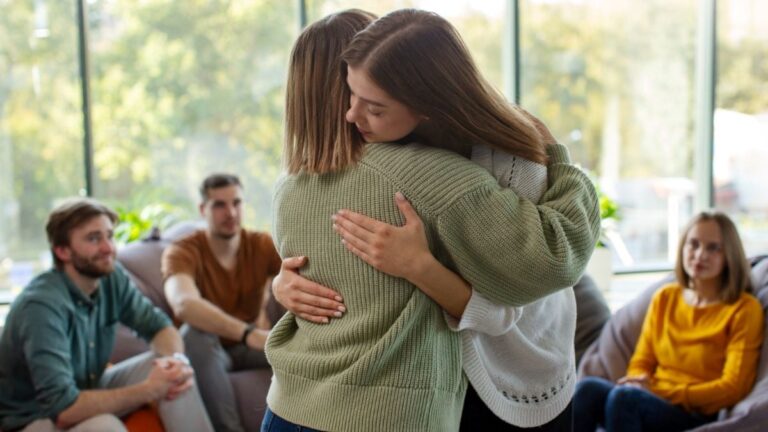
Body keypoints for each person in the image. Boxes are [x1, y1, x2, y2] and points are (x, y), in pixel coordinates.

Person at [263, 9, 600, 432]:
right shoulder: (346, 175)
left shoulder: (472, 166)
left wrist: (420, 268)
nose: (352, 114)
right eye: (353, 93)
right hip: (430, 390)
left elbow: (522, 294)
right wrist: (283, 283)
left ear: (419, 94)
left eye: (373, 103)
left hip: (513, 375)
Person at [0, 198, 213, 432]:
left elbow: (158, 326)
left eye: (109, 236)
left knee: (171, 372)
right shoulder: (41, 307)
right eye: (93, 239)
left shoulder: (110, 278)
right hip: (33, 418)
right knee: (105, 426)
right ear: (62, 251)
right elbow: (63, 409)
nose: (108, 248)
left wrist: (177, 362)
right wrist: (149, 390)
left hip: (87, 387)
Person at [573, 211, 764, 432]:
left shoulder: (744, 309)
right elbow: (641, 360)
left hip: (696, 413)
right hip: (650, 399)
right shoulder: (666, 297)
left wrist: (658, 391)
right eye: (693, 244)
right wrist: (638, 381)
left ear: (729, 255)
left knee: (625, 398)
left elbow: (733, 387)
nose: (700, 255)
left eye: (713, 248)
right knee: (588, 388)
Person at [162, 173, 282, 432]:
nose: (231, 213)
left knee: (306, 345)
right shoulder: (182, 251)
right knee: (192, 334)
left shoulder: (261, 245)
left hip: (252, 347)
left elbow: (305, 272)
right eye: (219, 205)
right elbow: (183, 303)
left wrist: (271, 294)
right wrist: (248, 333)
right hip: (207, 349)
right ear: (202, 209)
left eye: (236, 203)